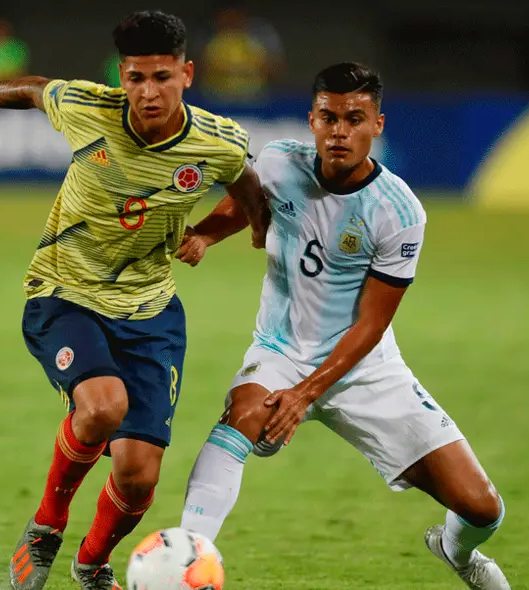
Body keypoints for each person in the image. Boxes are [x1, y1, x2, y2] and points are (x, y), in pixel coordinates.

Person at [0, 10, 267, 590]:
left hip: (150, 311)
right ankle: (45, 526)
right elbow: (33, 90)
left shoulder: (219, 143)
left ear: (187, 74)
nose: (147, 92)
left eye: (161, 77)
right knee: (101, 407)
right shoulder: (90, 108)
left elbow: (249, 198)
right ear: (122, 75)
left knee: (138, 477)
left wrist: (208, 234)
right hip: (65, 294)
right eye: (136, 78)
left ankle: (91, 565)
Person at [177, 62, 511, 590]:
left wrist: (306, 394)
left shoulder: (399, 211)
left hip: (365, 366)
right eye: (329, 117)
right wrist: (205, 235)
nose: (340, 131)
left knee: (482, 508)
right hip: (281, 350)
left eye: (355, 119)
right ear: (311, 120)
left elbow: (372, 325)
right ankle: (187, 561)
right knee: (240, 416)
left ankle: (455, 551)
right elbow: (248, 202)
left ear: (377, 124)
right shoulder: (279, 161)